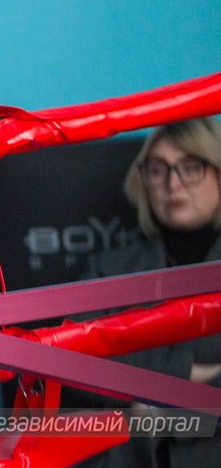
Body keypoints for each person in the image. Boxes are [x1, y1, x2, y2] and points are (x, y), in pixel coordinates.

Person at [75, 117, 221, 468]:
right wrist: (188, 371)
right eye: (158, 170)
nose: (173, 184)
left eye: (191, 167)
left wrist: (156, 404)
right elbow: (73, 367)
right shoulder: (111, 268)